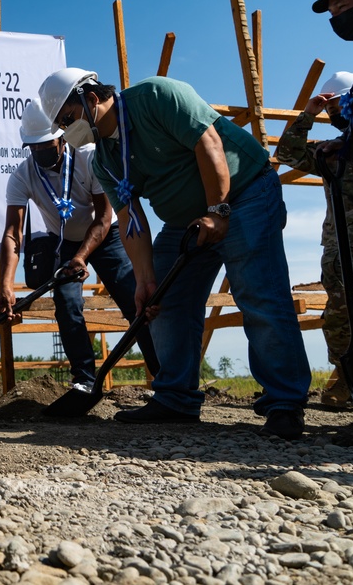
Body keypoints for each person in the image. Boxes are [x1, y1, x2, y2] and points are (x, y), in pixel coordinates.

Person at [37, 67, 311, 439]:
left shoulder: (155, 97)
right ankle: (176, 399)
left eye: (68, 119)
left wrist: (217, 211)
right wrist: (145, 281)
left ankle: (284, 404)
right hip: (185, 220)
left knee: (258, 293)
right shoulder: (104, 159)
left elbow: (209, 143)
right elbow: (130, 219)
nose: (68, 131)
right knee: (164, 299)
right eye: (62, 125)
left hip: (243, 196)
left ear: (91, 97)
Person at [0, 100, 159, 390]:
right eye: (34, 148)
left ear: (61, 137)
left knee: (134, 299)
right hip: (64, 243)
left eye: (46, 145)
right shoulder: (22, 176)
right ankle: (84, 380)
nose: (40, 152)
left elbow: (105, 217)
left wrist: (83, 256)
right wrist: (6, 286)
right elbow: (12, 234)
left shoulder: (88, 157)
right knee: (67, 304)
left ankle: (165, 376)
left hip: (104, 236)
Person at [276, 71, 353, 408]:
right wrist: (308, 114)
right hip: (342, 246)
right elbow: (286, 154)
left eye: (336, 104)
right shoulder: (329, 151)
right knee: (341, 320)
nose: (333, 112)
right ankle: (348, 381)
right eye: (329, 108)